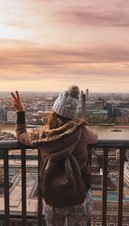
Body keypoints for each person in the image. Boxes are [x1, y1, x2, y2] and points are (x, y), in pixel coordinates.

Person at [11, 85, 98, 226]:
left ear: (54, 110)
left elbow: (21, 135)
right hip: (79, 193)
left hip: (53, 196)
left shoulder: (41, 134)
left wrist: (20, 112)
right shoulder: (82, 132)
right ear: (73, 113)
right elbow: (95, 137)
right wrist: (81, 126)